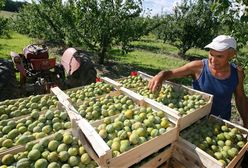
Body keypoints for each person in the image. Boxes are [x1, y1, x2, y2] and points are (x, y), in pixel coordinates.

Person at [148, 35, 248, 128]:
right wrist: (161, 75)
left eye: (219, 56)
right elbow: (172, 73)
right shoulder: (197, 67)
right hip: (194, 123)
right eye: (211, 54)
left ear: (232, 55)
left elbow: (240, 99)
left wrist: (246, 123)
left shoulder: (237, 74)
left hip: (220, 123)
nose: (213, 60)